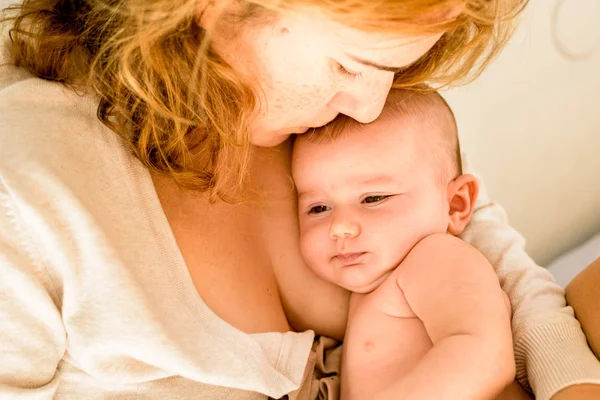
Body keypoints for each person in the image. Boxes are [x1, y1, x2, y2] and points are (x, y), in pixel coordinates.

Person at [1, 0, 599, 399]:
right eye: (348, 64)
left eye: (393, 68)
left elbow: (515, 288)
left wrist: (573, 387)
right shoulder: (27, 201)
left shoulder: (346, 129)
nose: (369, 106)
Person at [292, 89, 515, 399]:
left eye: (373, 198)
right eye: (318, 208)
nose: (339, 227)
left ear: (455, 204)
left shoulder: (436, 258)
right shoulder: (373, 289)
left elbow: (485, 356)